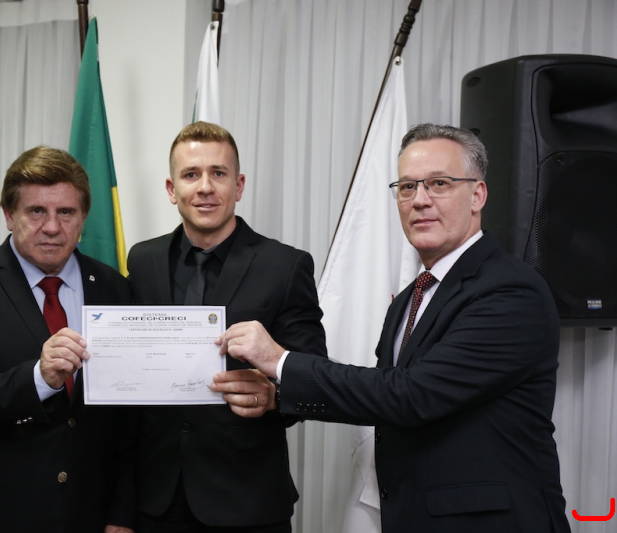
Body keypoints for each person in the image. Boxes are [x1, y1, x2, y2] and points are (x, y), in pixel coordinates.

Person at [214, 124, 570, 533]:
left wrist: (281, 361)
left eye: (439, 183)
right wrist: (278, 396)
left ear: (477, 195)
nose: (420, 200)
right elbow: (384, 399)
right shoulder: (409, 299)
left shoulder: (510, 290)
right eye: (407, 187)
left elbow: (411, 396)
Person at [0, 146, 135, 533]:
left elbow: (129, 418)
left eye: (65, 212)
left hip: (88, 514)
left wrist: (122, 513)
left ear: (83, 217)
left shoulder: (114, 288)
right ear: (9, 215)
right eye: (36, 211)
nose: (52, 227)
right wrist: (38, 379)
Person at [127, 121, 327, 532]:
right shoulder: (142, 261)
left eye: (218, 173)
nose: (205, 187)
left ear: (239, 185)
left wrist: (273, 396)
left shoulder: (285, 265)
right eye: (191, 174)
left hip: (247, 502)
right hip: (156, 501)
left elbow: (314, 377)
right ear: (171, 189)